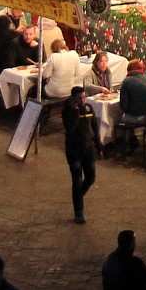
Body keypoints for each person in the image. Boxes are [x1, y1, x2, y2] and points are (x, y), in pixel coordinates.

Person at [65, 85, 99, 222]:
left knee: (90, 178)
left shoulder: (89, 108)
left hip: (88, 149)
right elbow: (70, 128)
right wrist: (75, 112)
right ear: (73, 99)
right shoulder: (67, 111)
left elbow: (94, 127)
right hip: (74, 151)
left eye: (84, 97)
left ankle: (78, 196)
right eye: (79, 98)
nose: (83, 100)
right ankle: (78, 211)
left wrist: (98, 144)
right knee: (77, 180)